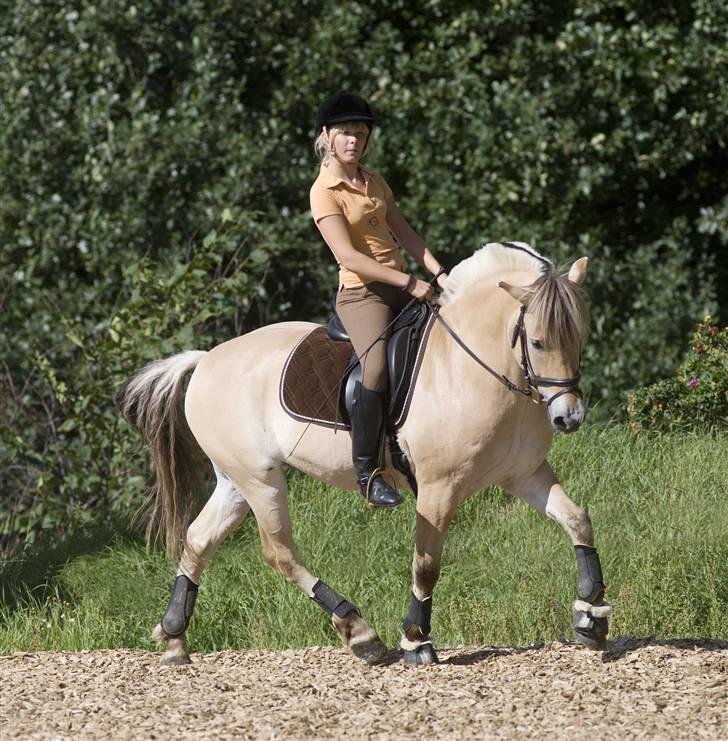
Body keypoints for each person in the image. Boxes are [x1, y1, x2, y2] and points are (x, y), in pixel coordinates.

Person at [309, 91, 448, 508]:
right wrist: (408, 282)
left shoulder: (374, 181)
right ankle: (369, 472)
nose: (353, 140)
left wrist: (441, 272)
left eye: (361, 133)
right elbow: (349, 256)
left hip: (403, 282)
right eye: (346, 133)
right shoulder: (323, 191)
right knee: (375, 368)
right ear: (327, 137)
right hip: (361, 293)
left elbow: (404, 232)